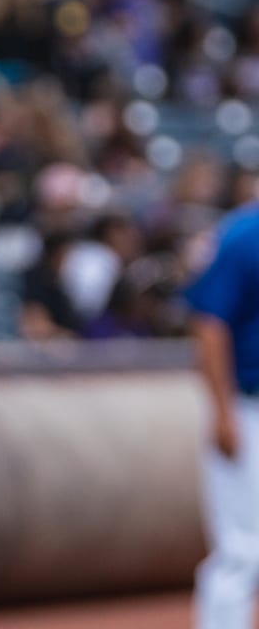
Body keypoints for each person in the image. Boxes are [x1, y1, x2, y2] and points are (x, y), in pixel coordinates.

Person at [186, 200, 259, 629]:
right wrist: (222, 411)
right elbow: (209, 324)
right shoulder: (244, 235)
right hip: (248, 406)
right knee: (241, 548)